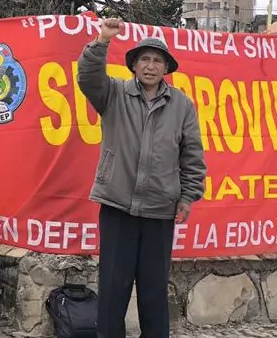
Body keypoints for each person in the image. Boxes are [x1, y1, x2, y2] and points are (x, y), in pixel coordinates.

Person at [76, 17, 206, 338]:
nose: (150, 66)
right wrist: (102, 41)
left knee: (153, 292)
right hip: (117, 206)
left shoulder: (182, 106)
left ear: (166, 68)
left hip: (160, 211)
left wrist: (188, 196)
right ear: (133, 65)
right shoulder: (113, 94)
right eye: (144, 59)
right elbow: (88, 77)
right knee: (112, 289)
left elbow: (192, 155)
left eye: (157, 60)